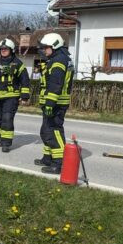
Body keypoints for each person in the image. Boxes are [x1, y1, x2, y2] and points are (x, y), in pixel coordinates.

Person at [34, 33, 74, 174]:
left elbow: (55, 85)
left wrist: (50, 103)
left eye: (46, 47)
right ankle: (48, 158)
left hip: (56, 103)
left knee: (54, 131)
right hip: (53, 102)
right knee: (46, 131)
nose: (44, 50)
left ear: (54, 46)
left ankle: (59, 163)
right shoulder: (58, 59)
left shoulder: (58, 62)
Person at [0, 39, 30, 153]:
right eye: (2, 49)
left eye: (6, 49)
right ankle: (2, 138)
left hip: (11, 97)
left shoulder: (18, 64)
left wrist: (24, 96)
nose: (3, 51)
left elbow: (25, 80)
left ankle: (6, 143)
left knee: (7, 118)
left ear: (11, 50)